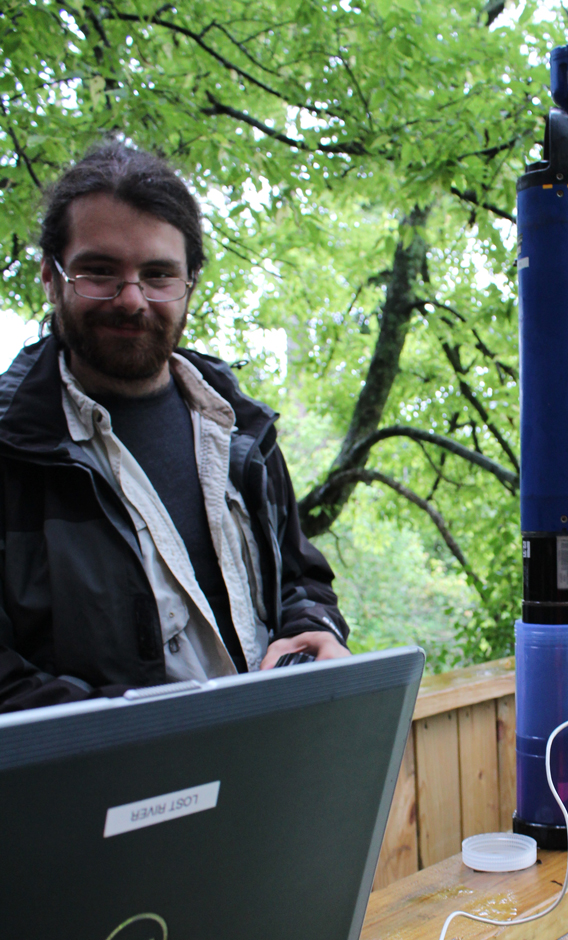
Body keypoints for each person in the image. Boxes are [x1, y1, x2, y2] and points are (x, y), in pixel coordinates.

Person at [0, 142, 350, 712]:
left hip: (263, 765)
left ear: (190, 283)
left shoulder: (241, 433)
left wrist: (313, 627)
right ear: (50, 276)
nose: (132, 299)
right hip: (85, 795)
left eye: (158, 274)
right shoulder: (13, 448)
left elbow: (300, 577)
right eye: (99, 272)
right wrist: (150, 735)